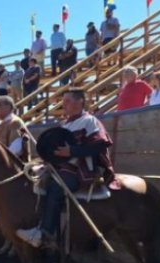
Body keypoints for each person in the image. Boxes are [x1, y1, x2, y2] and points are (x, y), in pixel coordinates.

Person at [17, 88, 115, 248]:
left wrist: (72, 151)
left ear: (80, 101)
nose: (64, 104)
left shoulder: (89, 121)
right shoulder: (64, 124)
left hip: (79, 169)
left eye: (68, 100)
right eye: (64, 101)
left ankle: (45, 233)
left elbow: (100, 144)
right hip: (58, 167)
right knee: (30, 181)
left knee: (56, 188)